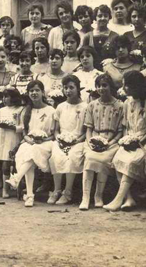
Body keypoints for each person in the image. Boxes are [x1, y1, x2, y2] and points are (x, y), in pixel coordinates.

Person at [105, 71, 146, 212]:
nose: (124, 88)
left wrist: (138, 141)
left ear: (136, 86)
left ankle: (118, 200)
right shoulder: (127, 102)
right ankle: (128, 198)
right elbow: (126, 126)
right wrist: (126, 141)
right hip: (131, 141)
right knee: (117, 158)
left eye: (127, 85)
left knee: (131, 162)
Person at [6, 80, 56, 207]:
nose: (34, 93)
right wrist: (29, 139)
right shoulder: (27, 110)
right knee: (26, 152)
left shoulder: (50, 110)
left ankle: (18, 180)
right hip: (29, 141)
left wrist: (42, 139)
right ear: (28, 93)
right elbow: (24, 132)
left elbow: (53, 134)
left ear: (43, 92)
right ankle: (29, 195)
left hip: (46, 143)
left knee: (32, 152)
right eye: (31, 91)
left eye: (37, 90)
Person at [80, 73, 123, 210]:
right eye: (98, 86)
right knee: (91, 158)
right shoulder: (92, 105)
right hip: (93, 139)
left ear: (110, 86)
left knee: (104, 159)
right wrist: (90, 142)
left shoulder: (120, 105)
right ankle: (85, 197)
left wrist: (109, 143)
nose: (101, 89)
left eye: (104, 85)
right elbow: (88, 128)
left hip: (112, 142)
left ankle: (98, 195)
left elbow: (121, 131)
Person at [49, 75, 87, 205]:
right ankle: (56, 190)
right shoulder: (60, 107)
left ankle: (68, 191)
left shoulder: (85, 107)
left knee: (72, 156)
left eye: (71, 87)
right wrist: (59, 138)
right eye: (65, 88)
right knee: (55, 156)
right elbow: (56, 129)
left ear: (77, 88)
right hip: (61, 139)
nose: (68, 91)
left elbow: (86, 131)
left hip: (78, 140)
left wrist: (76, 141)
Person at [0, 87, 24, 199]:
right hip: (0, 138)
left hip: (11, 138)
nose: (4, 99)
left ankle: (5, 190)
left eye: (7, 96)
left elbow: (23, 127)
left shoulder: (20, 110)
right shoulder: (1, 110)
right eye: (3, 97)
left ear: (14, 97)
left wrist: (12, 127)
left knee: (6, 164)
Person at [82, 5, 118, 70]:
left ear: (109, 18)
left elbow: (119, 55)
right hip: (92, 71)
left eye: (105, 16)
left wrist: (113, 60)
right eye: (100, 16)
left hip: (110, 70)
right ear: (95, 18)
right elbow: (82, 55)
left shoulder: (115, 36)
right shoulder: (88, 36)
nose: (102, 18)